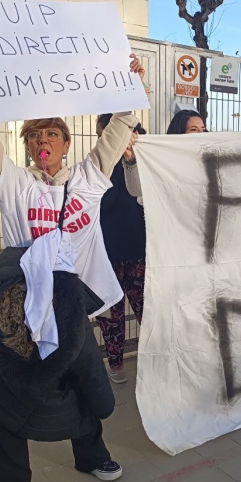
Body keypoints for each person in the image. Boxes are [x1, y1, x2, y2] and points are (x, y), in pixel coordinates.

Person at [0, 38, 143, 482]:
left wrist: (129, 86)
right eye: (34, 135)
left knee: (81, 383)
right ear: (27, 146)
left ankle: (91, 455)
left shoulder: (89, 180)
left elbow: (116, 134)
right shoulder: (14, 185)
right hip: (21, 315)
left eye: (52, 133)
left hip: (72, 311)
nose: (42, 141)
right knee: (13, 398)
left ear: (67, 143)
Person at [96, 115, 147, 384]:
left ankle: (149, 360)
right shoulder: (98, 170)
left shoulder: (140, 161)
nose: (102, 143)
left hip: (137, 252)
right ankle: (116, 365)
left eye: (106, 136)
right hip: (109, 255)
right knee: (112, 316)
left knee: (146, 312)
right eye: (100, 137)